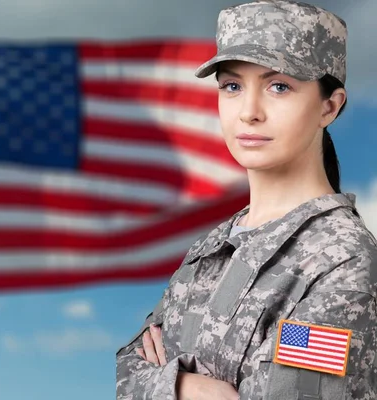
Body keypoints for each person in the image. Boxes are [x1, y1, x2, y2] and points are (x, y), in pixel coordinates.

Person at [115, 1, 377, 399]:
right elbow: (126, 372)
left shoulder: (342, 260)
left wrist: (162, 382)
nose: (249, 112)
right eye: (232, 86)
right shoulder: (214, 246)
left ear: (330, 106)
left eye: (279, 86)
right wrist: (191, 389)